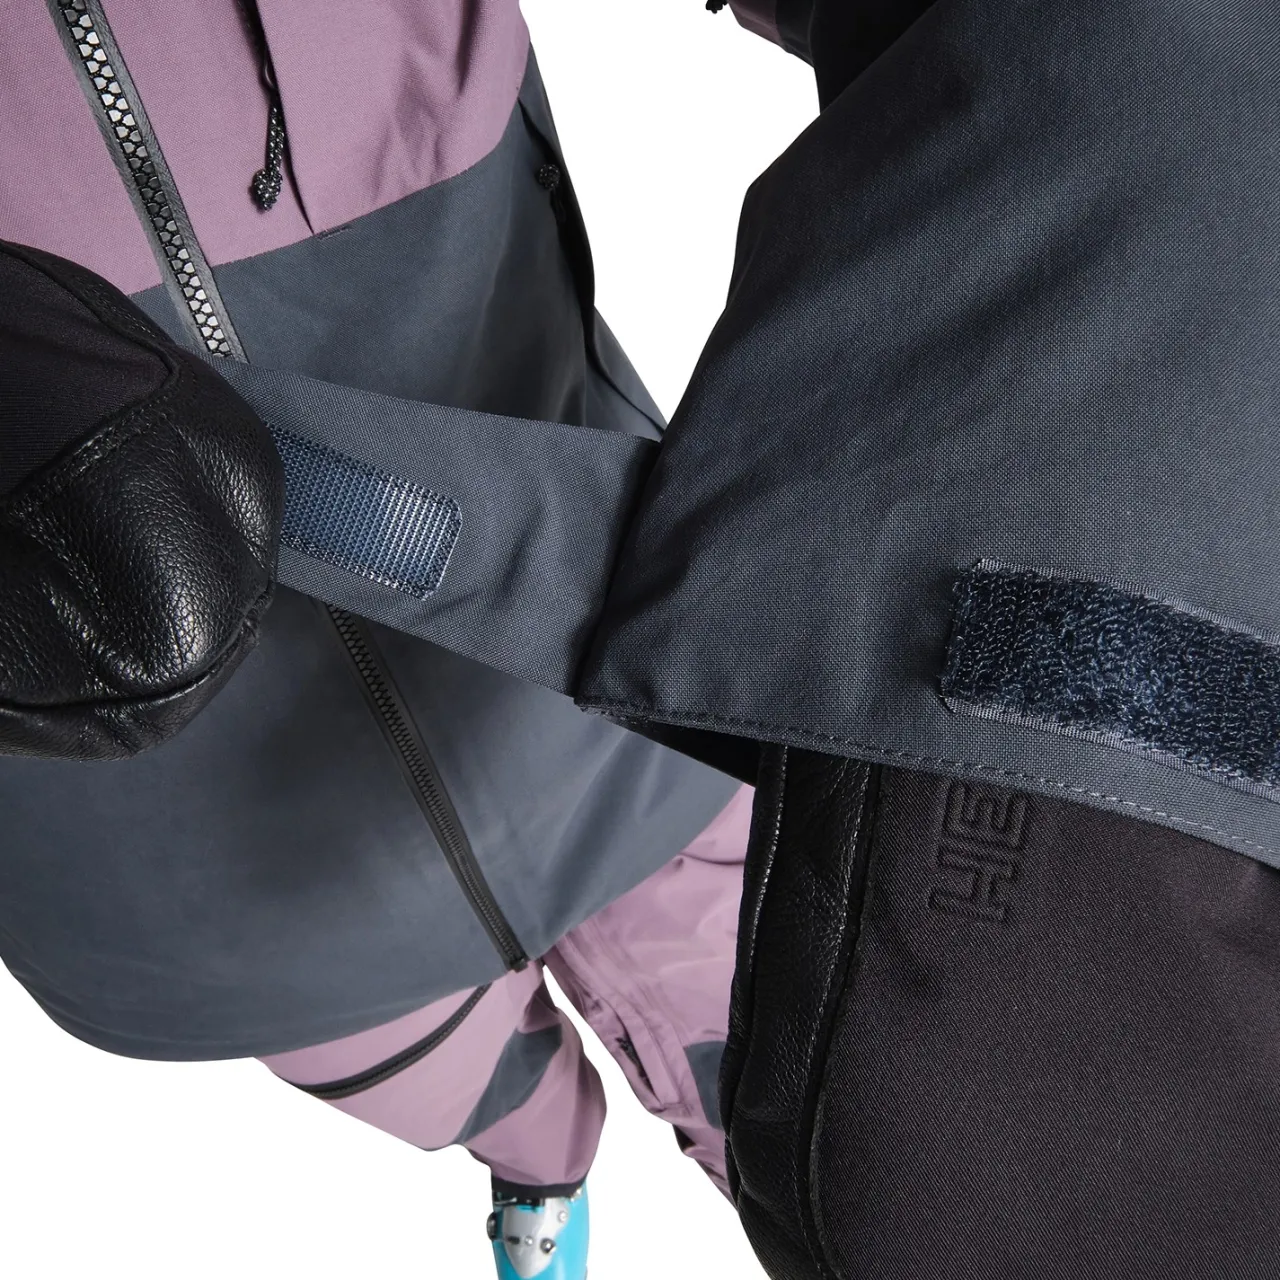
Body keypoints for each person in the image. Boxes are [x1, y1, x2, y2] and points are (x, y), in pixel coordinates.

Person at [0, 2, 775, 1276]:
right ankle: (538, 1165)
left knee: (799, 1071)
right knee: (462, 1081)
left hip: (590, 633)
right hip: (203, 863)